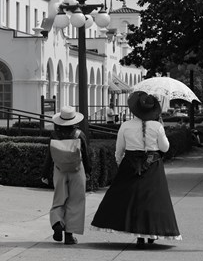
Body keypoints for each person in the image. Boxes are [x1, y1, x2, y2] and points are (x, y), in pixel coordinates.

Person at [91, 91, 181, 248]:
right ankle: (151, 232)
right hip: (153, 164)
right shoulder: (157, 126)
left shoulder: (126, 126)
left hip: (130, 164)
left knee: (131, 201)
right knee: (153, 200)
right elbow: (165, 148)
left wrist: (120, 163)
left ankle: (139, 235)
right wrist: (160, 128)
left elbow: (119, 149)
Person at [41, 106, 91, 245]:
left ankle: (57, 222)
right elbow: (86, 155)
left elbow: (49, 156)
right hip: (76, 170)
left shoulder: (54, 135)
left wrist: (45, 173)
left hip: (59, 169)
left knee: (59, 199)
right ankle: (69, 235)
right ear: (74, 120)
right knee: (76, 202)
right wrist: (88, 171)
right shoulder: (79, 134)